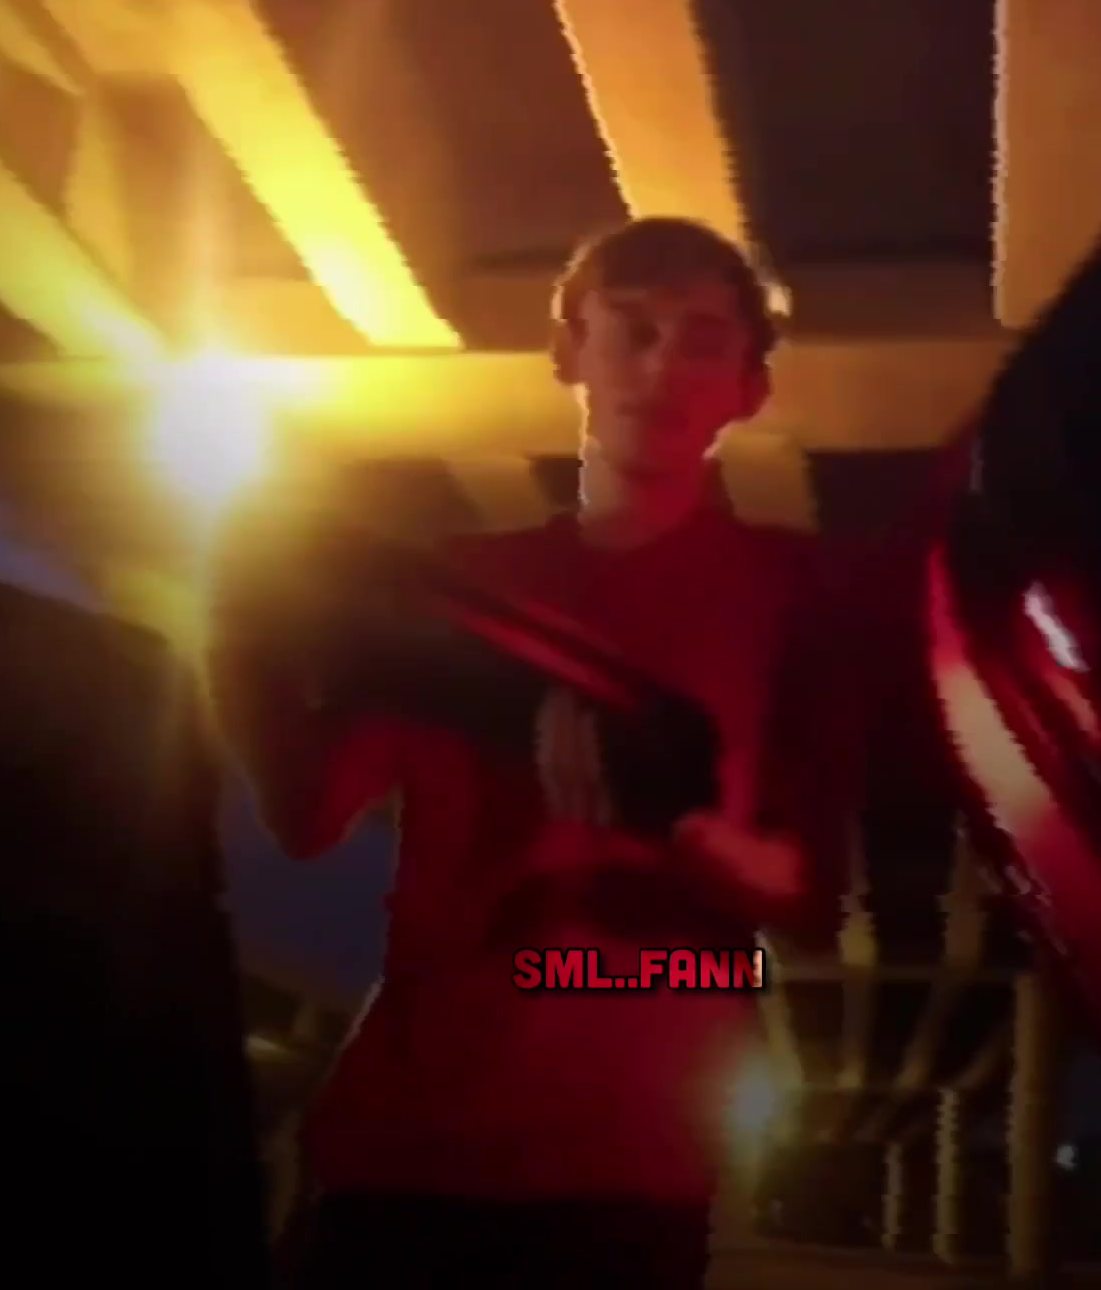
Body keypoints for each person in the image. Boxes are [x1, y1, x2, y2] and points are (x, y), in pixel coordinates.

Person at [206, 217, 861, 1288]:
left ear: (750, 388)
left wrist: (681, 832)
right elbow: (308, 812)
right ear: (568, 351)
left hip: (625, 1176)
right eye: (631, 329)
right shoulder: (458, 580)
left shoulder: (795, 595)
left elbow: (811, 896)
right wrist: (231, 630)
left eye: (701, 340)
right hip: (399, 1150)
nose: (661, 366)